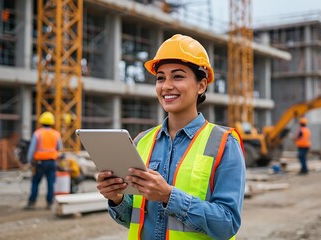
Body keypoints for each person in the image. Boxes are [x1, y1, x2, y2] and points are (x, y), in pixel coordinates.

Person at [96, 34, 246, 239]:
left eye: (178, 76)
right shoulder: (142, 141)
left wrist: (169, 196)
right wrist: (117, 198)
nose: (166, 86)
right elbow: (134, 218)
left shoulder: (224, 143)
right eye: (160, 78)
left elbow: (227, 224)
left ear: (201, 85)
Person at [24, 111, 63, 210]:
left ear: (41, 122)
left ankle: (32, 203)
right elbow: (60, 148)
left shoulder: (38, 133)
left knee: (35, 182)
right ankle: (49, 203)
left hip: (40, 163)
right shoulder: (56, 134)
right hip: (52, 162)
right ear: (52, 122)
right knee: (51, 183)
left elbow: (32, 149)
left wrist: (29, 161)